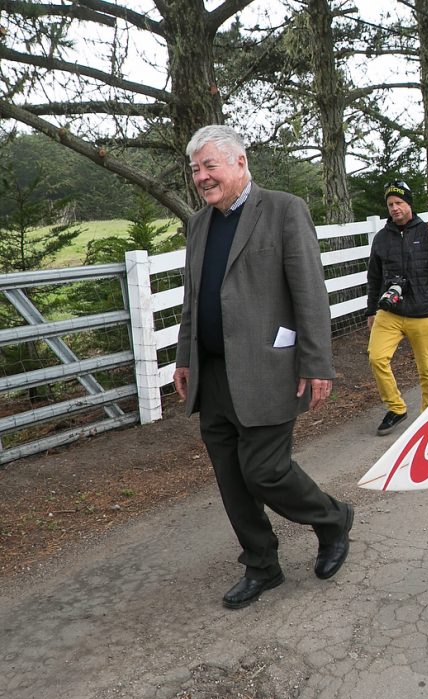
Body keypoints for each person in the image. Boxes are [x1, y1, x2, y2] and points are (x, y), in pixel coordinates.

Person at [174, 125, 354, 610]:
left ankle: (332, 519)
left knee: (265, 471)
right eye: (195, 169)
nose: (201, 177)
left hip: (267, 367)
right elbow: (194, 299)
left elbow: (310, 291)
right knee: (231, 476)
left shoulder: (282, 209)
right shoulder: (199, 223)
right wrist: (184, 358)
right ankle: (262, 563)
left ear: (239, 162)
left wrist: (318, 363)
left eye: (210, 165)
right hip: (212, 374)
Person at [366, 181, 428, 435]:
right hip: (390, 311)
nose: (394, 208)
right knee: (376, 357)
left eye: (399, 203)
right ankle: (396, 408)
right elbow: (374, 277)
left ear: (409, 204)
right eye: (390, 204)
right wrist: (371, 310)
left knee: (426, 367)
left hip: (422, 311)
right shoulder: (382, 238)